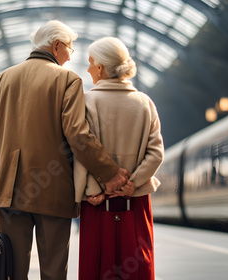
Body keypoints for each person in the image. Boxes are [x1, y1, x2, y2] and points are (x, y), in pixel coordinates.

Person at [0, 20, 131, 280]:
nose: (71, 57)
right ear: (57, 45)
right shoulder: (67, 79)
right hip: (53, 193)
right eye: (70, 49)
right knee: (53, 272)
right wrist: (110, 173)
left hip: (8, 195)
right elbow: (78, 135)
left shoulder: (1, 80)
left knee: (12, 273)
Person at [74, 37, 164, 280]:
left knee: (96, 265)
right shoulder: (144, 103)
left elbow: (82, 152)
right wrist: (131, 184)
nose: (88, 68)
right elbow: (156, 153)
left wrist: (98, 190)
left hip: (96, 203)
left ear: (101, 68)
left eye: (91, 62)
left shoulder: (86, 102)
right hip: (135, 201)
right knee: (138, 263)